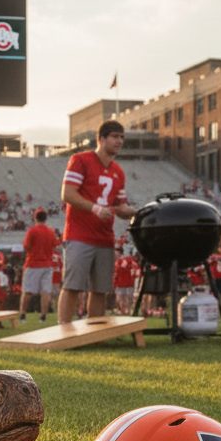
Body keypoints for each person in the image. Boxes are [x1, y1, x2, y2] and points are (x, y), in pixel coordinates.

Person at [58, 120, 137, 324]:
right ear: (101, 139)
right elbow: (67, 193)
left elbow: (121, 206)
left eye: (121, 137)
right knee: (73, 286)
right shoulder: (81, 160)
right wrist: (95, 208)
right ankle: (62, 331)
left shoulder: (118, 171)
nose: (119, 141)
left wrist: (133, 211)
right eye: (115, 136)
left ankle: (95, 334)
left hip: (104, 237)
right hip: (79, 234)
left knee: (100, 289)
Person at [19, 208, 58, 324]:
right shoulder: (51, 232)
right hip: (47, 264)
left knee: (27, 291)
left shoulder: (32, 230)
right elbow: (54, 245)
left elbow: (26, 246)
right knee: (45, 291)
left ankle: (22, 315)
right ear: (45, 218)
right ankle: (43, 317)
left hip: (33, 263)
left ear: (35, 218)